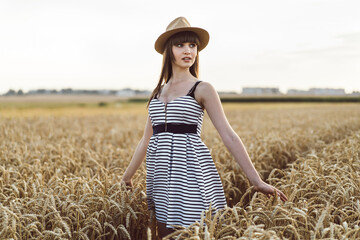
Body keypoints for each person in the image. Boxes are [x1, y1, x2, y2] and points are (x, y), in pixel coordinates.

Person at [121, 16, 288, 239]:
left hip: (189, 172)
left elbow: (228, 135)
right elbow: (146, 140)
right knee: (164, 234)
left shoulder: (202, 88)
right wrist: (127, 177)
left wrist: (256, 181)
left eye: (193, 45)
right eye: (180, 45)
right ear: (168, 50)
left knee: (193, 232)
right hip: (160, 173)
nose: (188, 50)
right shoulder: (158, 93)